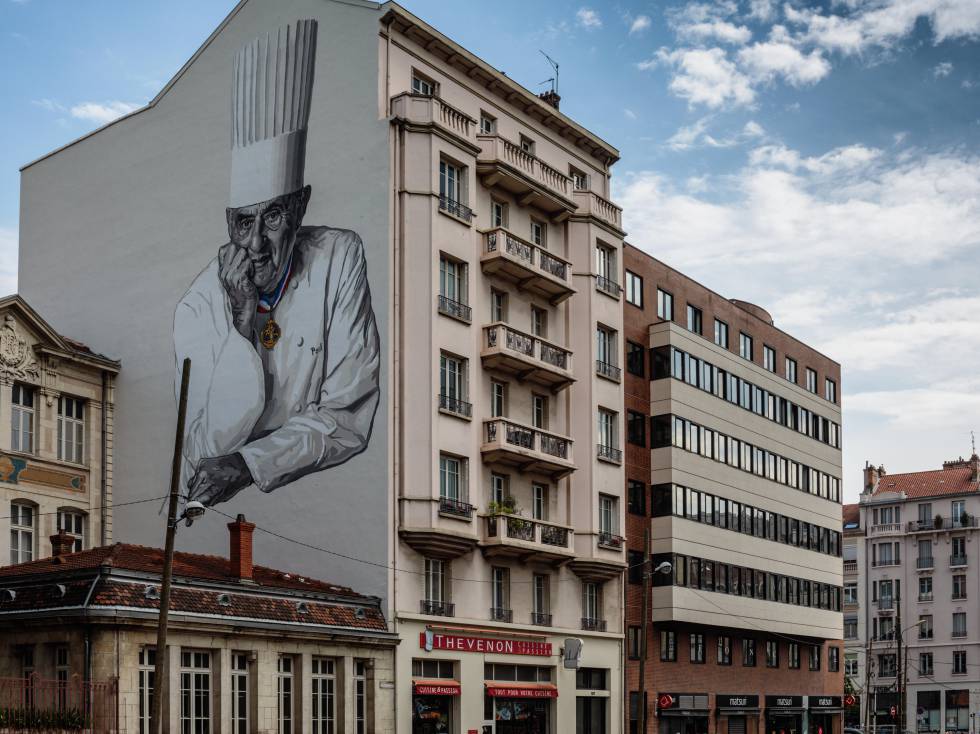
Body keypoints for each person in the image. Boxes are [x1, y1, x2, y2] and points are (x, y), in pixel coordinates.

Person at [173, 19, 379, 507]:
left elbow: (348, 418)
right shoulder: (197, 306)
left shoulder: (339, 255)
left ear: (300, 207)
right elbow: (207, 449)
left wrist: (251, 463)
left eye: (272, 217)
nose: (256, 244)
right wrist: (241, 328)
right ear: (228, 222)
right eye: (243, 222)